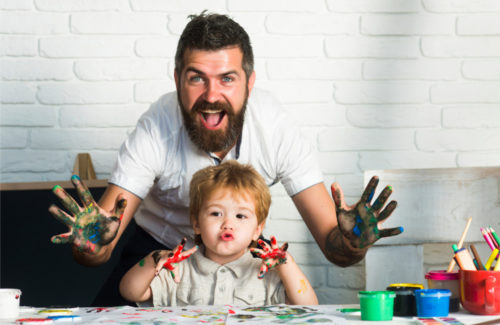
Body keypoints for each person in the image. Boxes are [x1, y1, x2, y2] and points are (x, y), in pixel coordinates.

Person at [49, 12, 403, 306]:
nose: (211, 94)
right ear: (177, 80)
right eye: (196, 78)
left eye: (227, 79)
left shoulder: (275, 128)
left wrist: (353, 243)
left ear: (249, 83)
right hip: (160, 254)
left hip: (241, 253)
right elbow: (98, 246)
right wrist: (92, 244)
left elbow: (336, 248)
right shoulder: (157, 126)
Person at [119, 161, 318, 306]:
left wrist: (286, 264)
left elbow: (308, 305)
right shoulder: (178, 270)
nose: (227, 224)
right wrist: (154, 258)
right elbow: (130, 292)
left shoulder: (265, 272)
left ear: (258, 229)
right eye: (216, 213)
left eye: (241, 216)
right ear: (196, 223)